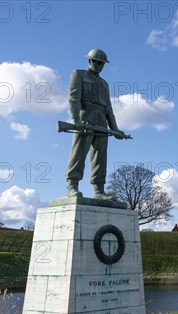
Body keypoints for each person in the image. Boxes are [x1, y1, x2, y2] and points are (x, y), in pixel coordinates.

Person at [65, 48, 122, 200]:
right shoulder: (79, 74)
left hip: (101, 121)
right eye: (96, 62)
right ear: (89, 61)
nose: (99, 65)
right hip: (86, 117)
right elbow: (74, 98)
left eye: (102, 63)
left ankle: (99, 190)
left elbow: (109, 108)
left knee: (100, 157)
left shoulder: (104, 83)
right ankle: (72, 186)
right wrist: (76, 120)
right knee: (78, 153)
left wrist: (114, 129)